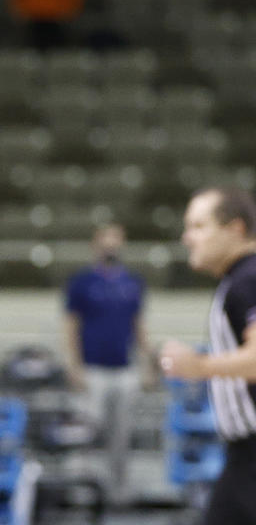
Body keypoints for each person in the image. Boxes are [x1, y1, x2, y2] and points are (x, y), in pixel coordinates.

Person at [160, 187, 256, 525]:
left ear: (235, 229)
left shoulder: (248, 279)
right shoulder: (239, 280)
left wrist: (198, 366)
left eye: (199, 227)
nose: (187, 238)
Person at [63, 223, 150, 501]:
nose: (111, 246)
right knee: (86, 434)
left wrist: (147, 364)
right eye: (106, 241)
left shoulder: (132, 282)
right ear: (96, 245)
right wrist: (74, 366)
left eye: (116, 240)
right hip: (93, 370)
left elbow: (138, 325)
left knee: (121, 437)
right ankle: (80, 491)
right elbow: (71, 326)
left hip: (124, 370)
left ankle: (117, 493)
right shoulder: (82, 282)